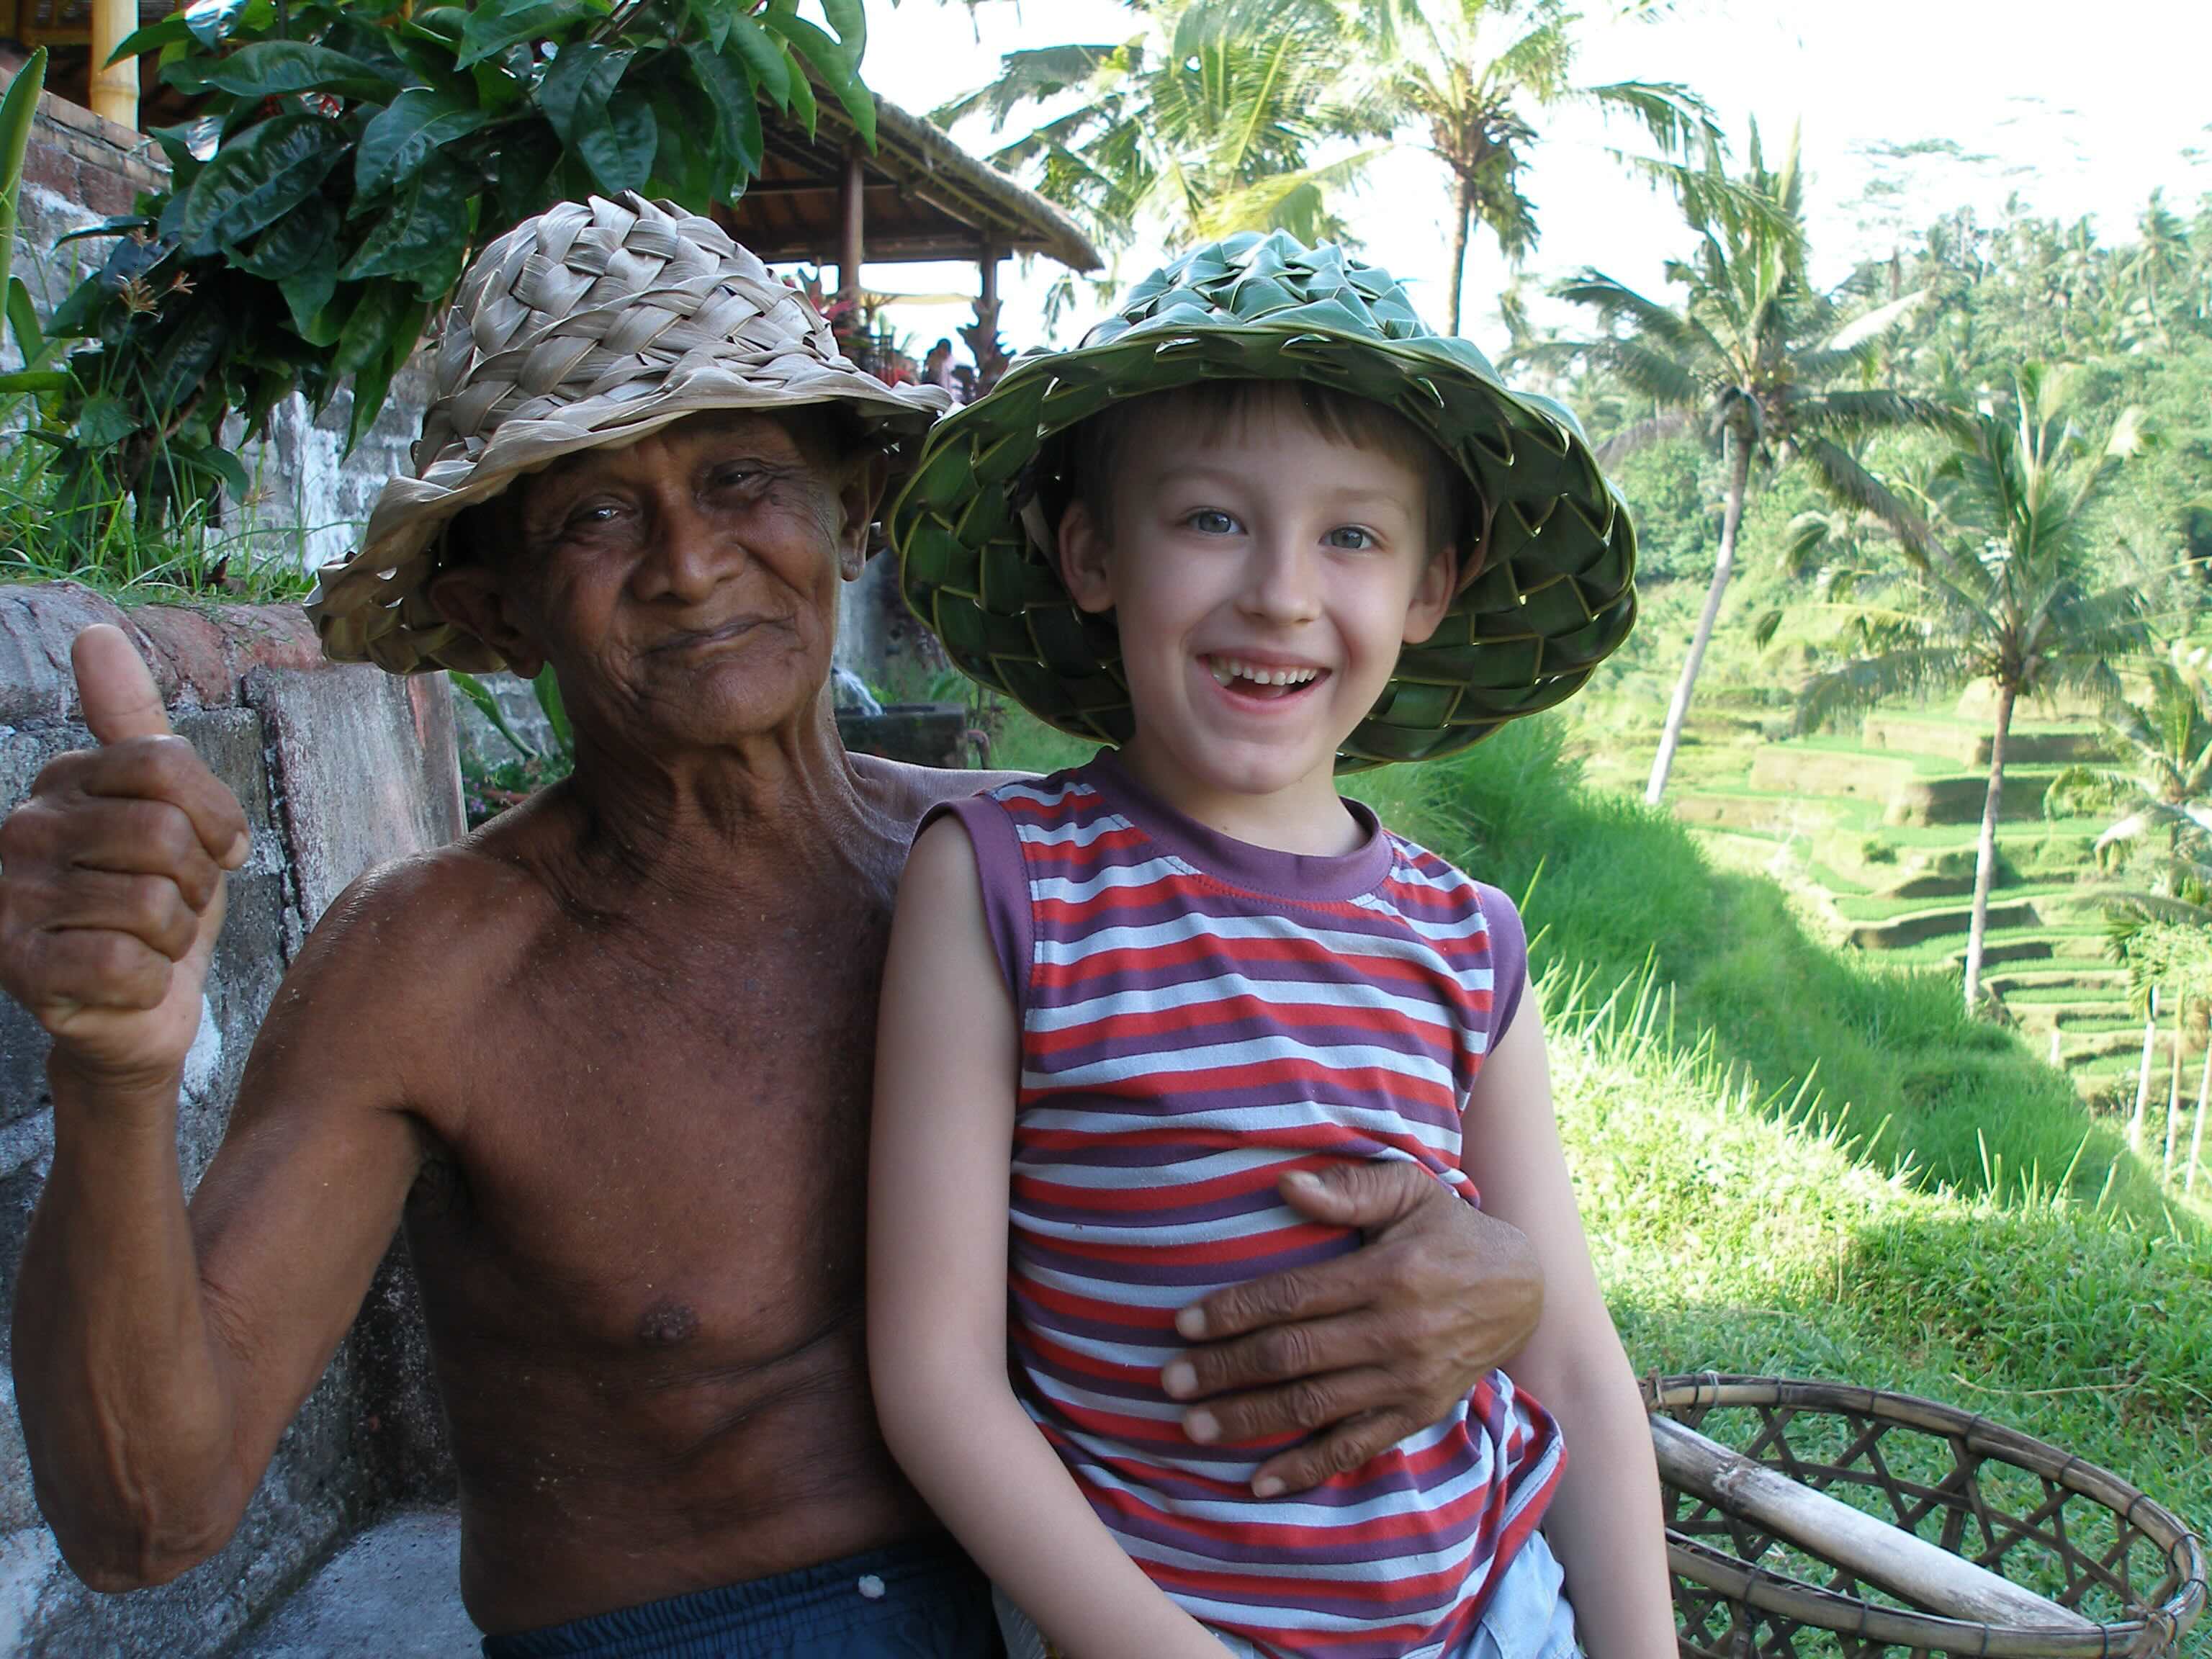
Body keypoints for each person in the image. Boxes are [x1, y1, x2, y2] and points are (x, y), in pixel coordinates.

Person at [0, 197, 1551, 1658]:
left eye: (742, 480)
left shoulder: (1043, 881)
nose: (689, 565)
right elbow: (145, 1522)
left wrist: (1499, 1285)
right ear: (496, 612)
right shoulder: (431, 972)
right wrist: (116, 1081)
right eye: (596, 515)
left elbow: (1375, 1098)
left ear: (850, 511)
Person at [868, 233, 1669, 1659]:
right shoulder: (1002, 885)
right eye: (1211, 520)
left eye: (1353, 537)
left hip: (1494, 1618)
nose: (1283, 594)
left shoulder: (1469, 938)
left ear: (1430, 589)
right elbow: (936, 1378)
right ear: (1091, 552)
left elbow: (1569, 1357)